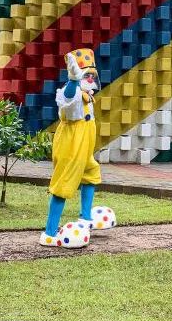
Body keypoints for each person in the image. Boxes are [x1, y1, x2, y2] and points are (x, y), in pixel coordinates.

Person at [39, 48, 115, 248]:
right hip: (71, 146)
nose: (90, 79)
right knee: (64, 184)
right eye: (86, 75)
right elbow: (67, 99)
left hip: (84, 147)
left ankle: (85, 217)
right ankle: (50, 233)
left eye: (92, 75)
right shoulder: (71, 93)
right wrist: (73, 80)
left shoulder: (89, 96)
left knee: (91, 172)